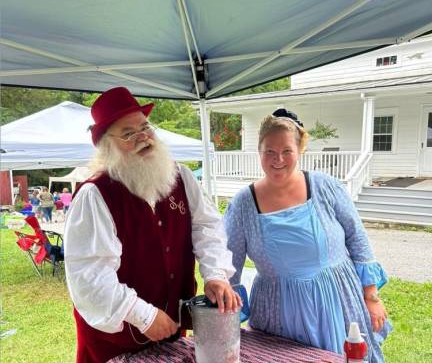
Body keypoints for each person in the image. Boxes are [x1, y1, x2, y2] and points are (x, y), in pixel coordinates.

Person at [64, 87, 241, 363]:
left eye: (145, 127)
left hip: (170, 332)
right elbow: (89, 277)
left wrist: (215, 274)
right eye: (128, 133)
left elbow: (208, 227)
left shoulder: (180, 177)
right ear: (106, 145)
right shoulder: (94, 195)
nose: (143, 137)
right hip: (115, 343)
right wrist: (142, 315)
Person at [224, 109, 391, 363]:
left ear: (299, 150)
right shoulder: (243, 204)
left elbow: (358, 239)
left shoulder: (325, 187)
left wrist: (371, 296)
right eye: (269, 151)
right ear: (259, 151)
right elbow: (229, 265)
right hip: (279, 313)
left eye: (287, 151)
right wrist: (226, 315)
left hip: (338, 300)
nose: (278, 159)